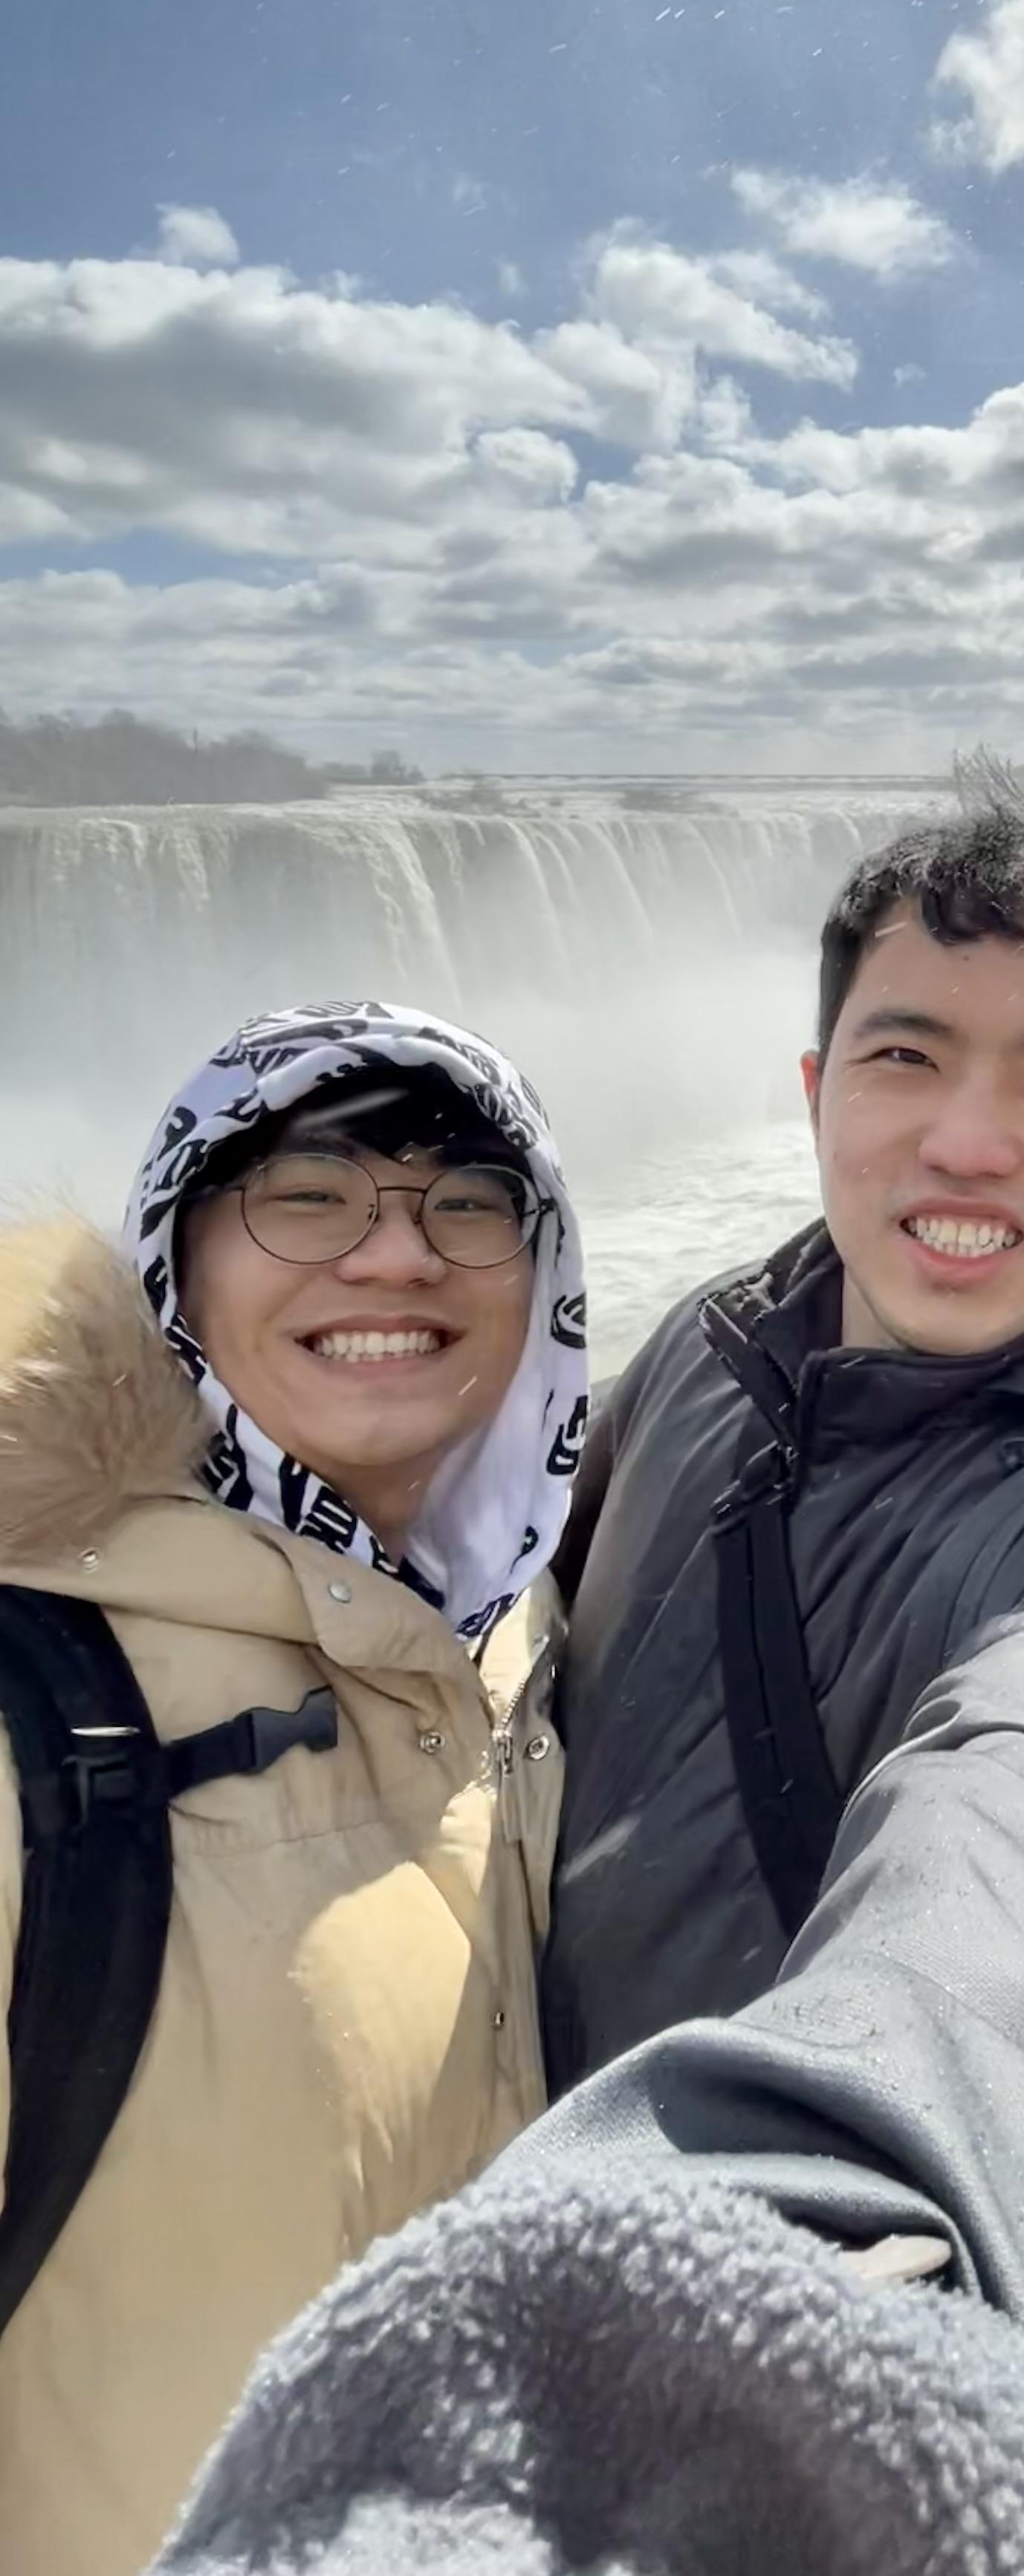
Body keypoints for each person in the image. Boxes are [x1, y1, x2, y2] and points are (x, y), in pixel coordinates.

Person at [150, 781, 1024, 2576]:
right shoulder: (709, 1342)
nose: (970, 1143)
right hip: (505, 2146)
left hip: (720, 2240)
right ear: (816, 1088)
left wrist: (838, 2272)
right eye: (906, 1057)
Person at [0, 1000, 586, 2576]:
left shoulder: (517, 1639)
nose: (395, 1257)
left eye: (466, 1201)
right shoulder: (33, 1707)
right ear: (173, 1260)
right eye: (305, 1193)